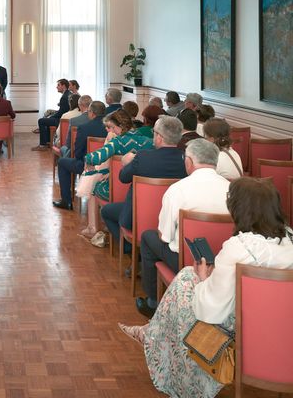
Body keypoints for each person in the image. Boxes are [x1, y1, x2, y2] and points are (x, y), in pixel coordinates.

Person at [119, 177, 293, 398]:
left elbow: (210, 311)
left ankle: (154, 337)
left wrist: (203, 279)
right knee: (189, 279)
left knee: (185, 280)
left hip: (241, 332)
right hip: (282, 333)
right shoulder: (289, 240)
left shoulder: (238, 248)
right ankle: (151, 332)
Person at [136, 139, 230, 318]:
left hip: (187, 261)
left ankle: (152, 302)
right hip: (222, 261)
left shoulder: (178, 189)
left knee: (148, 237)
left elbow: (164, 236)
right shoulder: (232, 189)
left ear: (189, 162)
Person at [101, 116, 187, 255]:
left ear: (159, 137)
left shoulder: (143, 157)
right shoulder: (187, 161)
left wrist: (125, 163)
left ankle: (131, 250)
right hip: (173, 222)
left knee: (106, 211)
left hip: (136, 218)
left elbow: (123, 178)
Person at [78, 110, 153, 243]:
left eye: (112, 127)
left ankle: (93, 228)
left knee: (94, 187)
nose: (111, 131)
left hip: (116, 188)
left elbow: (95, 157)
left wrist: (88, 161)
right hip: (141, 192)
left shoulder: (117, 142)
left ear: (120, 126)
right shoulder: (148, 141)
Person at [53, 101, 107, 210]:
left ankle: (66, 201)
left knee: (62, 162)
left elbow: (77, 152)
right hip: (107, 168)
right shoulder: (111, 128)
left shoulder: (84, 128)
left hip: (86, 165)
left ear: (91, 113)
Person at [32, 79, 71, 151]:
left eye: (58, 85)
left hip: (61, 120)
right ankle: (47, 142)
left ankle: (43, 145)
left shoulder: (64, 97)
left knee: (41, 121)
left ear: (64, 86)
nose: (57, 87)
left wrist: (51, 116)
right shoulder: (69, 94)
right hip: (65, 118)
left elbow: (61, 113)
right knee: (47, 119)